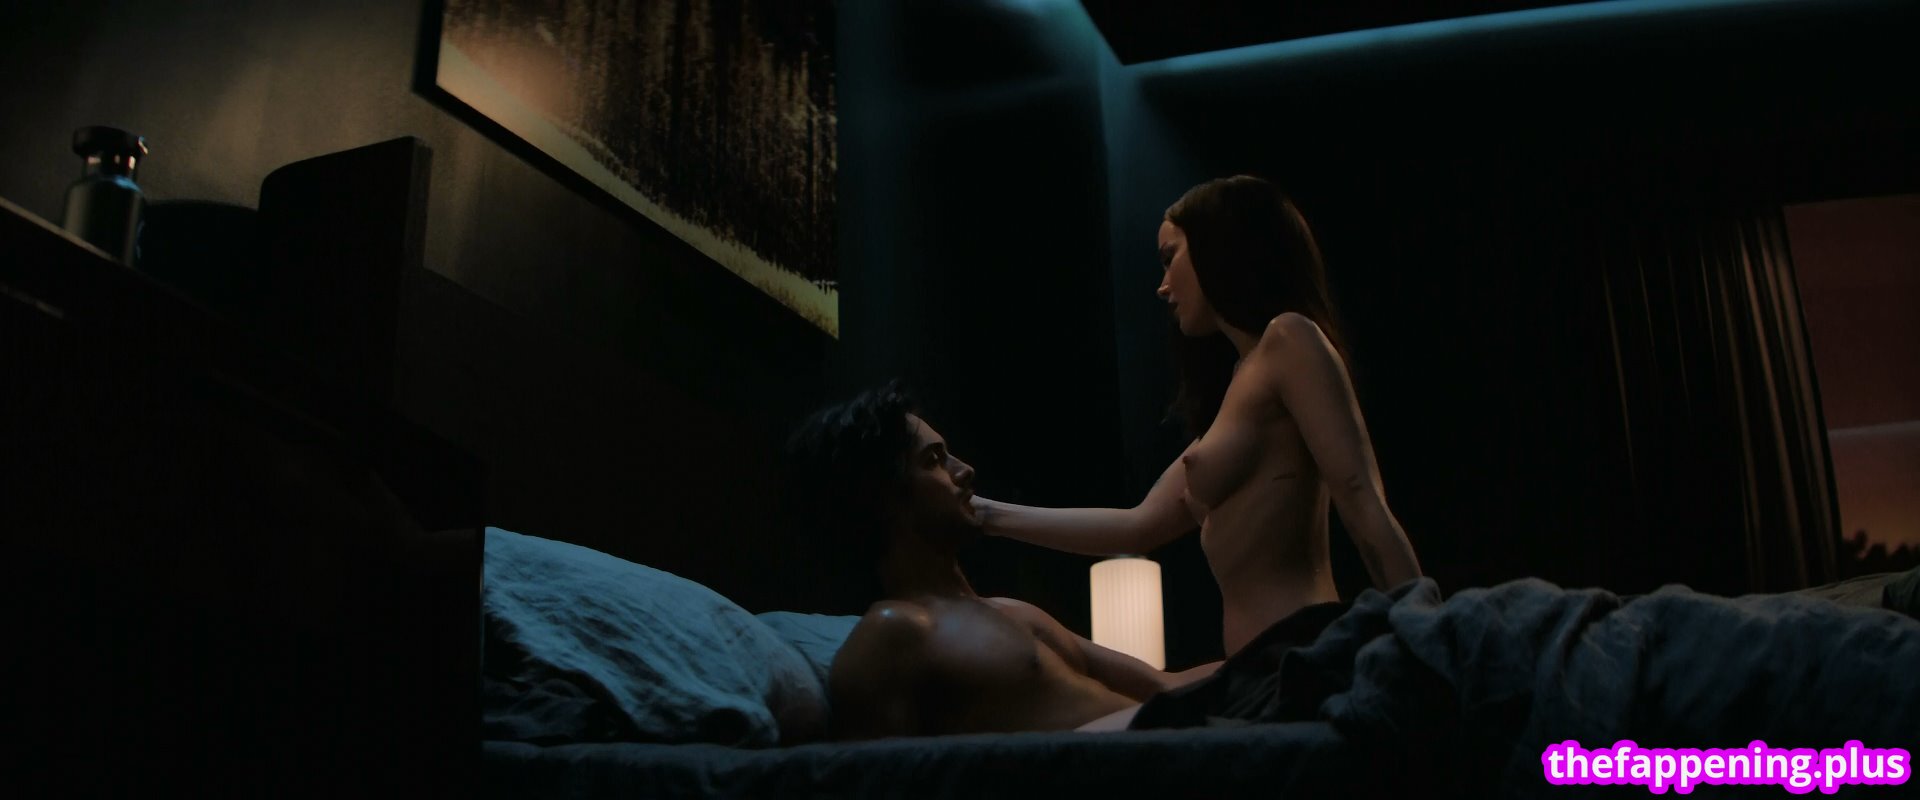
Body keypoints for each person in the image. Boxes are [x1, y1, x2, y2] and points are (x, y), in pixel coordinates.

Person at [972, 175, 1422, 658]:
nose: (1163, 286)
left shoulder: (1290, 339)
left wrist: (1429, 632)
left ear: (1217, 245)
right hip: (1254, 667)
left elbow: (1360, 496)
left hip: (1301, 656)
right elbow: (1137, 526)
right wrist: (985, 514)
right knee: (1071, 660)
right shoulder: (1240, 385)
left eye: (1170, 258)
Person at [781, 383, 1218, 739]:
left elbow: (1164, 686)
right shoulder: (890, 634)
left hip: (1188, 751)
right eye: (934, 460)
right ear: (880, 497)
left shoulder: (1013, 612)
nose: (964, 470)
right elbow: (879, 778)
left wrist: (1256, 664)